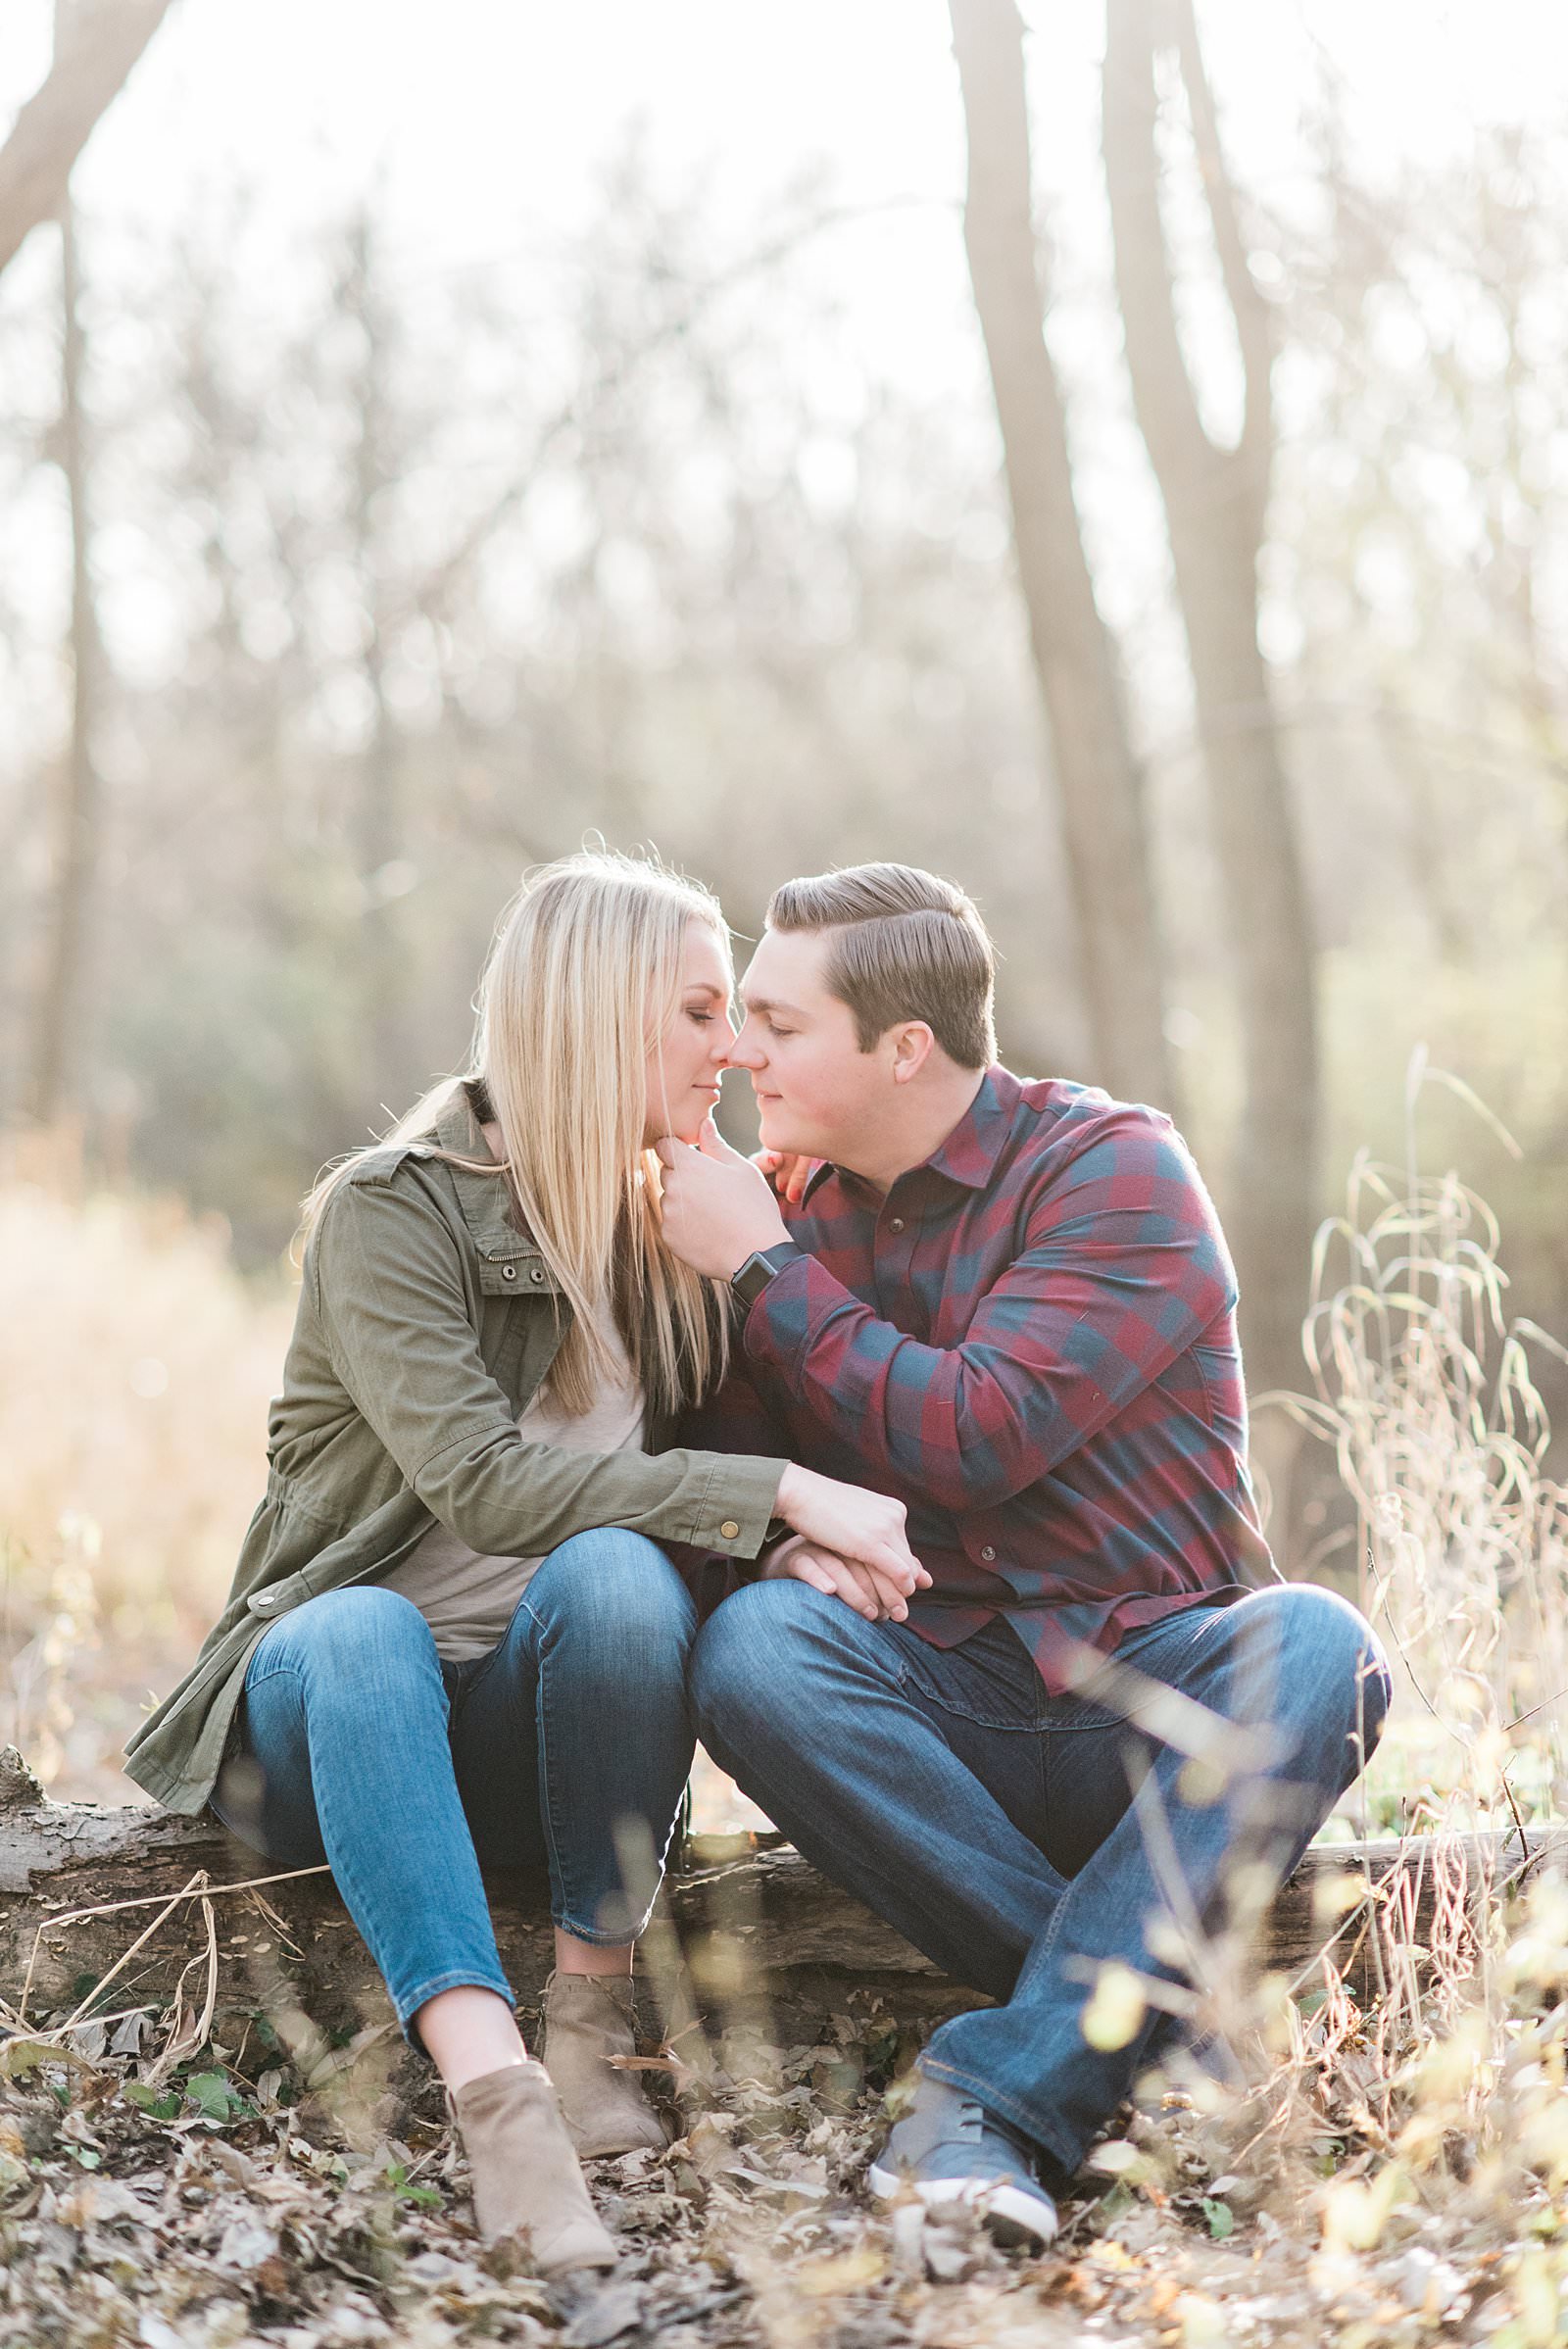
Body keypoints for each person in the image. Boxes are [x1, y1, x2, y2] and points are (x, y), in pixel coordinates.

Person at [122, 851, 923, 2276]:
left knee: (622, 1576)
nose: (733, 1045)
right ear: (594, 1017)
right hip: (330, 1714)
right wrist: (777, 1488)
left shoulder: (678, 1221)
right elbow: (485, 1487)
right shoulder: (394, 1211)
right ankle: (500, 2099)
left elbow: (686, 1512)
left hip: (527, 1731)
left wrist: (791, 1545)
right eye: (695, 1010)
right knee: (366, 1627)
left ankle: (591, 2018)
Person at [656, 861, 1392, 2249]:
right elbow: (710, 1478)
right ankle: (1153, 2038)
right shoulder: (778, 1207)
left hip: (1155, 1704)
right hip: (942, 1723)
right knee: (753, 1651)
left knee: (1324, 1648)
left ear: (905, 1047)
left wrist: (764, 1276)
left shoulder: (1113, 1169)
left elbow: (978, 1431)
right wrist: (771, 1545)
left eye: (779, 1020)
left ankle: (997, 2094)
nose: (743, 1048)